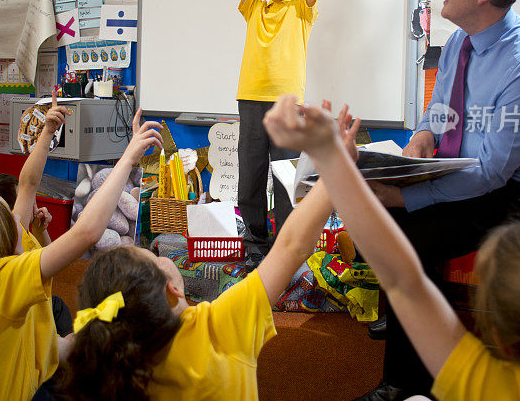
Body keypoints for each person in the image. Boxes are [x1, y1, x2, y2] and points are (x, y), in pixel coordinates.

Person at [263, 95, 520, 401]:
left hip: (501, 194)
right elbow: (403, 282)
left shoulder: (482, 385)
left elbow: (403, 281)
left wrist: (333, 163)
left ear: (499, 335)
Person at [362, 0, 520, 399]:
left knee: (410, 237)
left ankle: (409, 382)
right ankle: (409, 317)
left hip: (512, 192)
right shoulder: (460, 41)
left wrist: (408, 193)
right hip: (457, 169)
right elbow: (440, 105)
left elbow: (493, 172)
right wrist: (422, 137)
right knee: (385, 217)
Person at [55, 103, 359, 401]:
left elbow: (84, 234)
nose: (161, 254)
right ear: (172, 289)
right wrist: (334, 164)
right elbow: (294, 246)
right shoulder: (220, 327)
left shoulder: (104, 368)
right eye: (157, 258)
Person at [0, 109, 163, 401]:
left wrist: (47, 133)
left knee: (67, 323)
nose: (19, 215)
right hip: (31, 394)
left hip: (28, 371)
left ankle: (71, 347)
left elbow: (27, 185)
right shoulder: (0, 282)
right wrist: (128, 159)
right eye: (10, 216)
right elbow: (86, 233)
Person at [221, 0, 318, 268]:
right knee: (251, 175)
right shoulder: (254, 8)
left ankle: (287, 248)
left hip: (287, 104)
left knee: (285, 178)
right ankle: (256, 242)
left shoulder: (302, 10)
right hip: (250, 100)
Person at [0, 91, 75, 339]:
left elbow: (29, 184)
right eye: (18, 201)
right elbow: (29, 182)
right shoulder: (9, 241)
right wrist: (48, 131)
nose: (28, 203)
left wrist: (40, 233)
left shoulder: (13, 233)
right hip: (29, 331)